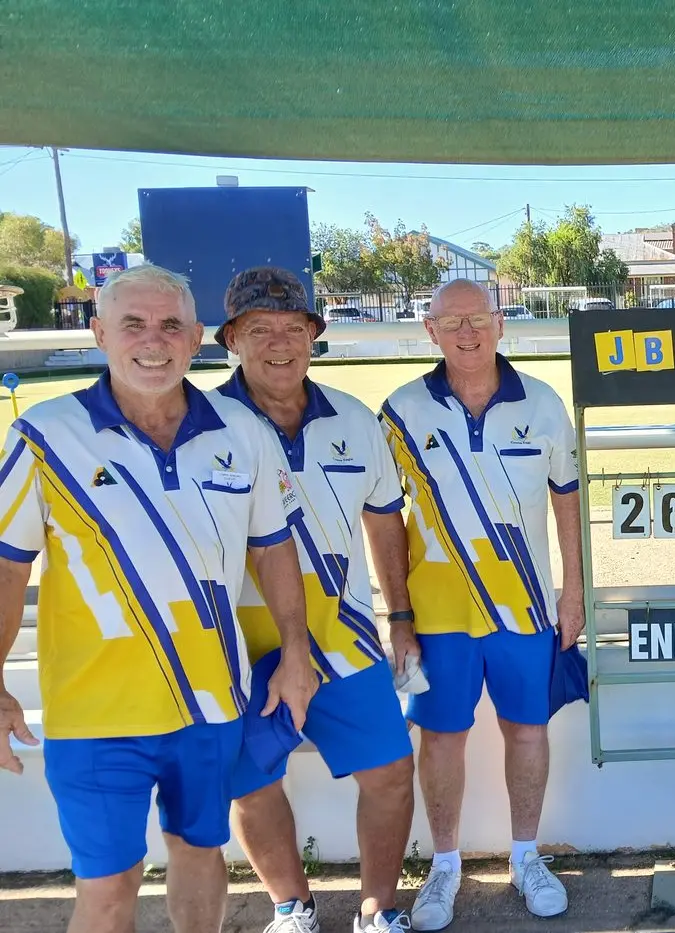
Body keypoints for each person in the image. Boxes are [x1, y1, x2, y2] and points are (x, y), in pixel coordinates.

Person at [0, 264, 316, 933]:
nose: (154, 339)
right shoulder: (46, 434)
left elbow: (274, 548)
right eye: (133, 324)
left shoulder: (242, 431)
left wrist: (295, 650)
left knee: (201, 854)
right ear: (98, 333)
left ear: (197, 335)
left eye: (171, 324)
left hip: (210, 703)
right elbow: (7, 567)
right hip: (94, 715)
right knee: (109, 884)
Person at [216, 267, 417, 933]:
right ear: (232, 341)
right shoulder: (198, 426)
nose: (280, 343)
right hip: (238, 645)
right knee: (250, 780)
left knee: (389, 773)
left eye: (294, 328)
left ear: (313, 337)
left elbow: (384, 521)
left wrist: (400, 616)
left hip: (345, 636)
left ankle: (377, 909)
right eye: (259, 330)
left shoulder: (355, 421)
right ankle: (291, 905)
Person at [379, 279, 584, 931]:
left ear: (501, 324)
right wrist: (399, 614)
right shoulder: (402, 410)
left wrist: (573, 588)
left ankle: (526, 857)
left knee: (528, 728)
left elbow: (567, 499)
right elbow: (381, 517)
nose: (467, 332)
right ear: (429, 330)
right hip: (437, 615)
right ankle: (444, 866)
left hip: (524, 608)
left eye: (478, 319)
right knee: (442, 738)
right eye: (452, 321)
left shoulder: (544, 403)